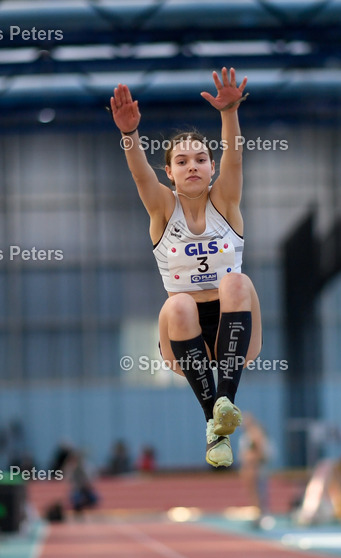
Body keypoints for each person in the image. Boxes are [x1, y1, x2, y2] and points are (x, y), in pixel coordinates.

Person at [111, 67, 261, 468]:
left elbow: (235, 157)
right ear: (170, 173)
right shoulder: (163, 208)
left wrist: (229, 112)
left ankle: (225, 401)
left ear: (212, 168)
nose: (192, 166)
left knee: (236, 281)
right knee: (177, 303)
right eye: (182, 161)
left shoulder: (225, 201)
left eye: (200, 159)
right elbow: (139, 174)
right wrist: (130, 135)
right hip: (184, 335)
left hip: (235, 325)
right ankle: (214, 424)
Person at [238, 413, 271, 524]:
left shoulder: (255, 434)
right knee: (254, 493)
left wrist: (252, 464)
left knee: (259, 492)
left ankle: (262, 515)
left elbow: (260, 452)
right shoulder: (247, 435)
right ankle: (257, 514)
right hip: (250, 467)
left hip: (256, 468)